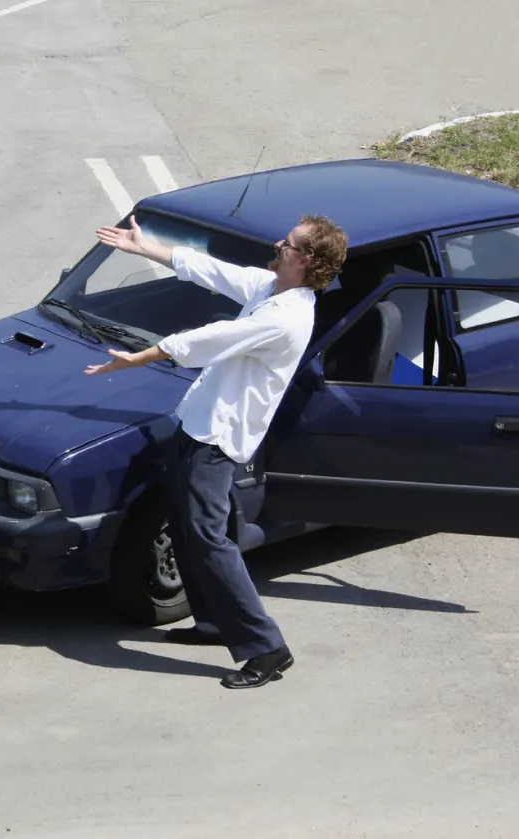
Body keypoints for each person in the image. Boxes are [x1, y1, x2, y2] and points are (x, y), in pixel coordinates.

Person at [84, 213, 347, 689]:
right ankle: (212, 623)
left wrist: (139, 358)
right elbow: (211, 269)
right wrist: (145, 249)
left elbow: (210, 339)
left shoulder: (284, 317)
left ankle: (267, 648)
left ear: (305, 260)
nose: (277, 242)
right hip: (200, 424)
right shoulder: (272, 288)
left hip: (217, 440)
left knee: (207, 538)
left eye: (287, 243)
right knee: (190, 529)